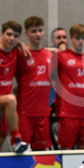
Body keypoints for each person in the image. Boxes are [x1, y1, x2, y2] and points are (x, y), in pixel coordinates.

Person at [0, 20, 30, 153]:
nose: (12, 38)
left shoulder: (17, 53)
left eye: (16, 36)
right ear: (1, 34)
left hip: (5, 110)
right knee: (11, 99)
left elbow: (42, 51)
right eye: (9, 34)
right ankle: (16, 139)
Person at [16, 16, 55, 151]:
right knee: (23, 152)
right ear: (26, 33)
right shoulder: (21, 54)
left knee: (42, 154)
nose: (38, 34)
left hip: (43, 112)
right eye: (34, 31)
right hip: (25, 112)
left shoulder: (50, 55)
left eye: (40, 30)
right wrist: (18, 43)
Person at [55, 24, 84, 149]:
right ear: (71, 38)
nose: (81, 41)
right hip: (68, 111)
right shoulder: (61, 56)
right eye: (77, 38)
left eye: (83, 38)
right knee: (66, 149)